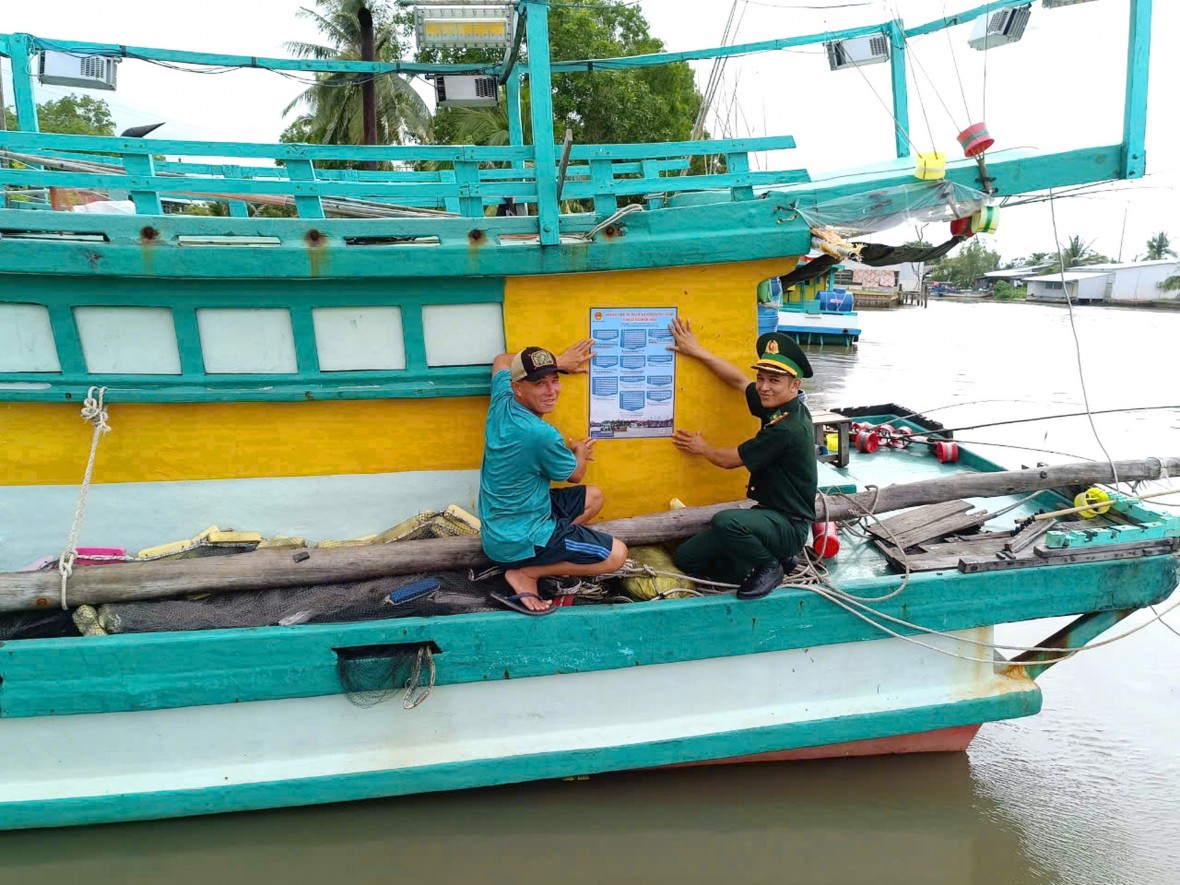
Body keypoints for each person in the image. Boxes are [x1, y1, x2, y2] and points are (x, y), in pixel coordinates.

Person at [668, 318, 817, 600]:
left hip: (789, 525)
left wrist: (702, 447)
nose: (764, 387)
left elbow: (730, 460)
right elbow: (738, 380)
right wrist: (697, 350)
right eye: (762, 378)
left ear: (795, 384)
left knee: (726, 522)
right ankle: (775, 557)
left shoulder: (787, 427)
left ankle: (770, 567)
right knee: (688, 557)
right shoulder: (780, 407)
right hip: (766, 516)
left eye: (774, 380)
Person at [479, 342, 628, 613]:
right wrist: (579, 451)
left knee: (593, 497)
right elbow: (575, 474)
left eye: (554, 380)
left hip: (501, 522)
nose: (551, 391)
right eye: (539, 384)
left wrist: (557, 359)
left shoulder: (502, 400)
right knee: (617, 554)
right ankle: (528, 572)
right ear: (518, 388)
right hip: (517, 537)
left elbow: (501, 359)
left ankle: (547, 551)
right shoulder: (540, 434)